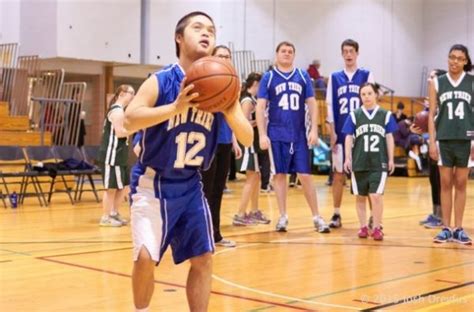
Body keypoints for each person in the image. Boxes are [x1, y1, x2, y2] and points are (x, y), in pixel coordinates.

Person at [124, 12, 253, 312]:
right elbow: (130, 120)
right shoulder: (161, 79)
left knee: (204, 257)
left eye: (211, 30)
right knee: (145, 258)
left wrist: (231, 109)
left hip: (191, 185)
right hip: (153, 183)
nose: (206, 33)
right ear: (179, 38)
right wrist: (175, 107)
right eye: (198, 28)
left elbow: (247, 139)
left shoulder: (220, 83)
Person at [256, 41, 330, 233]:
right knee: (280, 175)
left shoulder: (303, 76)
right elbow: (260, 106)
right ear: (277, 54)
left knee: (305, 175)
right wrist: (262, 134)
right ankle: (282, 216)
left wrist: (314, 129)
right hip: (276, 133)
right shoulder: (269, 77)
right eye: (283, 51)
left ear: (294, 55)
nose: (287, 54)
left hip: (298, 134)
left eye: (290, 51)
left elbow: (312, 104)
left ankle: (316, 216)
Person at [326, 39, 375, 228]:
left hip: (363, 132)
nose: (348, 54)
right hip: (340, 130)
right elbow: (330, 105)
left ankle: (372, 216)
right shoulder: (335, 77)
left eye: (351, 51)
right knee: (338, 174)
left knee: (368, 175)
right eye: (345, 51)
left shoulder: (366, 74)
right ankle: (336, 214)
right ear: (342, 54)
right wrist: (331, 131)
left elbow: (371, 104)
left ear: (357, 53)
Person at [429, 44, 473, 245]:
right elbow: (431, 114)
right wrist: (431, 141)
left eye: (459, 58)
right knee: (445, 183)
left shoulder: (472, 82)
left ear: (465, 61)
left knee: (462, 183)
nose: (454, 61)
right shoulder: (437, 82)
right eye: (451, 57)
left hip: (466, 139)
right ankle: (446, 227)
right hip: (444, 138)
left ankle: (459, 228)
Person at [342, 82, 397, 240]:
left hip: (378, 162)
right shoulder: (354, 115)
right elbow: (348, 137)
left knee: (376, 196)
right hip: (359, 161)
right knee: (360, 196)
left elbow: (389, 137)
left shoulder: (385, 115)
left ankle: (377, 227)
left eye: (369, 93)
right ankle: (363, 227)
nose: (366, 97)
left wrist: (391, 159)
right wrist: (347, 158)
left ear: (376, 95)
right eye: (363, 94)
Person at [201, 45, 242, 248]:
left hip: (225, 141)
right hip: (207, 142)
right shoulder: (207, 79)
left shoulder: (233, 84)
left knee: (218, 189)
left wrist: (234, 140)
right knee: (205, 190)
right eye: (220, 56)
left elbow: (232, 116)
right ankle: (202, 234)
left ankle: (215, 233)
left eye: (228, 56)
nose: (225, 59)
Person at [233, 72, 271, 226]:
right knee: (252, 177)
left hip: (253, 144)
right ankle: (240, 213)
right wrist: (260, 121)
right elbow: (243, 124)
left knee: (257, 176)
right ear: (255, 85)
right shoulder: (248, 101)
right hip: (248, 144)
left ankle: (254, 211)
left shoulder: (254, 100)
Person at [97, 84, 134, 227]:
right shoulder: (117, 111)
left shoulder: (122, 111)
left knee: (123, 186)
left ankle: (114, 212)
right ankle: (105, 217)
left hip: (121, 154)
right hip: (111, 154)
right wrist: (135, 129)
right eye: (131, 93)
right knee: (110, 188)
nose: (133, 96)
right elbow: (120, 133)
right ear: (122, 94)